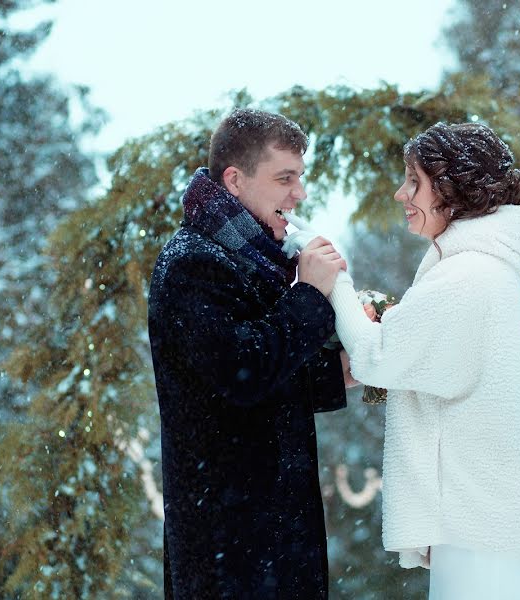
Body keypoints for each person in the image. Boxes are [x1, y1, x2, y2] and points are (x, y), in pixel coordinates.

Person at [328, 122, 520, 599]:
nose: (400, 193)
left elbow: (376, 356)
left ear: (453, 188)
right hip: (482, 525)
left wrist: (335, 286)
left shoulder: (467, 275)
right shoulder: (482, 270)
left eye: (414, 180)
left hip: (475, 530)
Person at [147, 108, 353, 598]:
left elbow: (259, 377)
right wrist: (310, 295)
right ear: (235, 180)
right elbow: (242, 373)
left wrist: (339, 372)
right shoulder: (192, 264)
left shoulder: (252, 261)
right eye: (285, 178)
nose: (298, 194)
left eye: (299, 178)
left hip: (270, 539)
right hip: (230, 548)